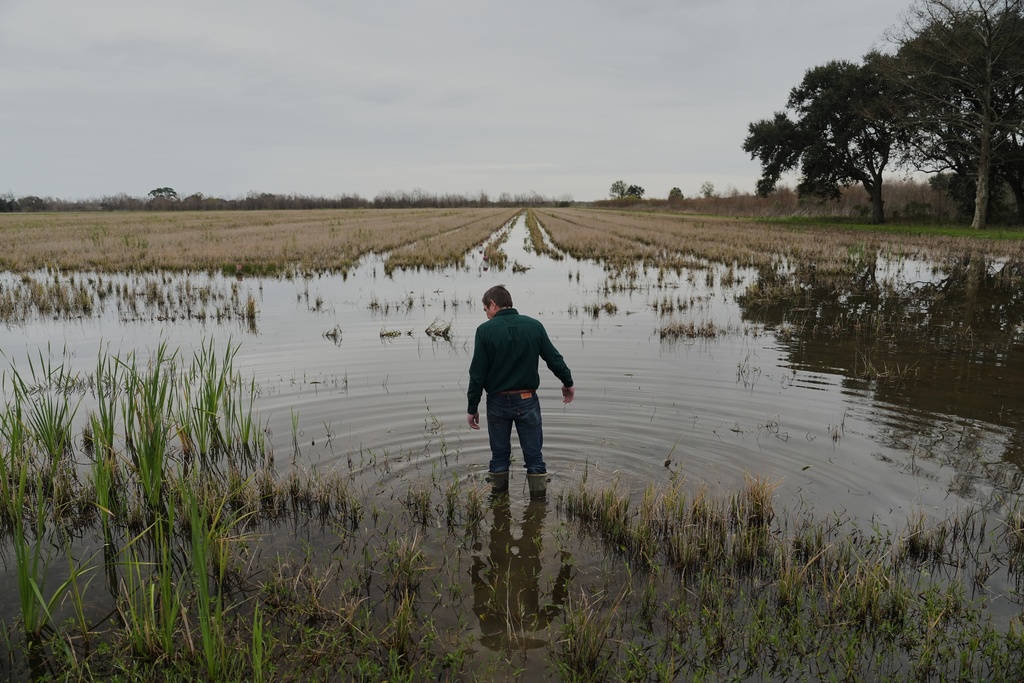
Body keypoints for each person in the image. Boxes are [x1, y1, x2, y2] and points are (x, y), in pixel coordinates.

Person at [467, 285, 575, 498]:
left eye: (486, 309)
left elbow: (477, 374)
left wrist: (472, 407)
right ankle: (538, 506)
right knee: (534, 458)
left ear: (493, 304)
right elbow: (554, 359)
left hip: (497, 402)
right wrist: (567, 381)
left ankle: (498, 505)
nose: (487, 314)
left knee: (499, 457)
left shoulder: (484, 331)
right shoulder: (534, 326)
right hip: (527, 400)